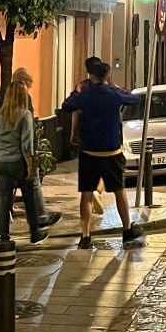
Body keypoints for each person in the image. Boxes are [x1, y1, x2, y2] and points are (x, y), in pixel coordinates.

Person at [62, 58, 144, 250]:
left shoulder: (85, 94)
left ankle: (85, 236)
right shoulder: (113, 93)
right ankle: (126, 230)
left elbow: (66, 106)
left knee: (87, 194)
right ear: (106, 76)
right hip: (111, 151)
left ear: (91, 75)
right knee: (119, 191)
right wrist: (115, 87)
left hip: (89, 151)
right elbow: (133, 99)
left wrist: (77, 92)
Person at [0, 68, 62, 229]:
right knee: (31, 186)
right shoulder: (24, 107)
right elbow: (27, 139)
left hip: (2, 156)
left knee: (1, 192)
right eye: (30, 82)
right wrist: (31, 162)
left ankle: (0, 228)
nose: (31, 86)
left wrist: (1, 142)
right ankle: (38, 222)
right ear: (23, 81)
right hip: (19, 156)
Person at [0, 81, 48, 245]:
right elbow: (26, 144)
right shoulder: (25, 115)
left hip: (1, 160)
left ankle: (4, 236)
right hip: (18, 161)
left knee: (4, 199)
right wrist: (31, 167)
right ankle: (34, 232)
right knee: (29, 198)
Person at [70, 57, 107, 215]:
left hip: (86, 134)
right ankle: (97, 192)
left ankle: (88, 208)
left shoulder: (81, 87)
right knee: (107, 168)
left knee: (88, 170)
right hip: (105, 133)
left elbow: (75, 110)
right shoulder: (107, 87)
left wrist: (73, 131)